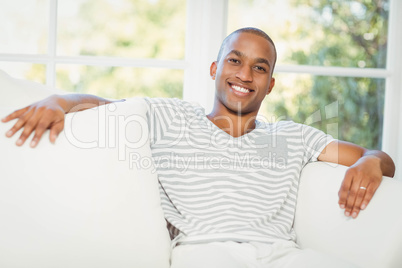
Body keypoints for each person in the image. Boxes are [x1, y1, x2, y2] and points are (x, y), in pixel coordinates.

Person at [1, 27, 395, 267]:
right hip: (205, 253)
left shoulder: (292, 136)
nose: (245, 74)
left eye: (259, 67)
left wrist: (372, 162)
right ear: (215, 69)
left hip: (281, 254)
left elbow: (378, 159)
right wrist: (59, 102)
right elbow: (102, 106)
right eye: (235, 61)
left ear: (271, 83)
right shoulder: (172, 117)